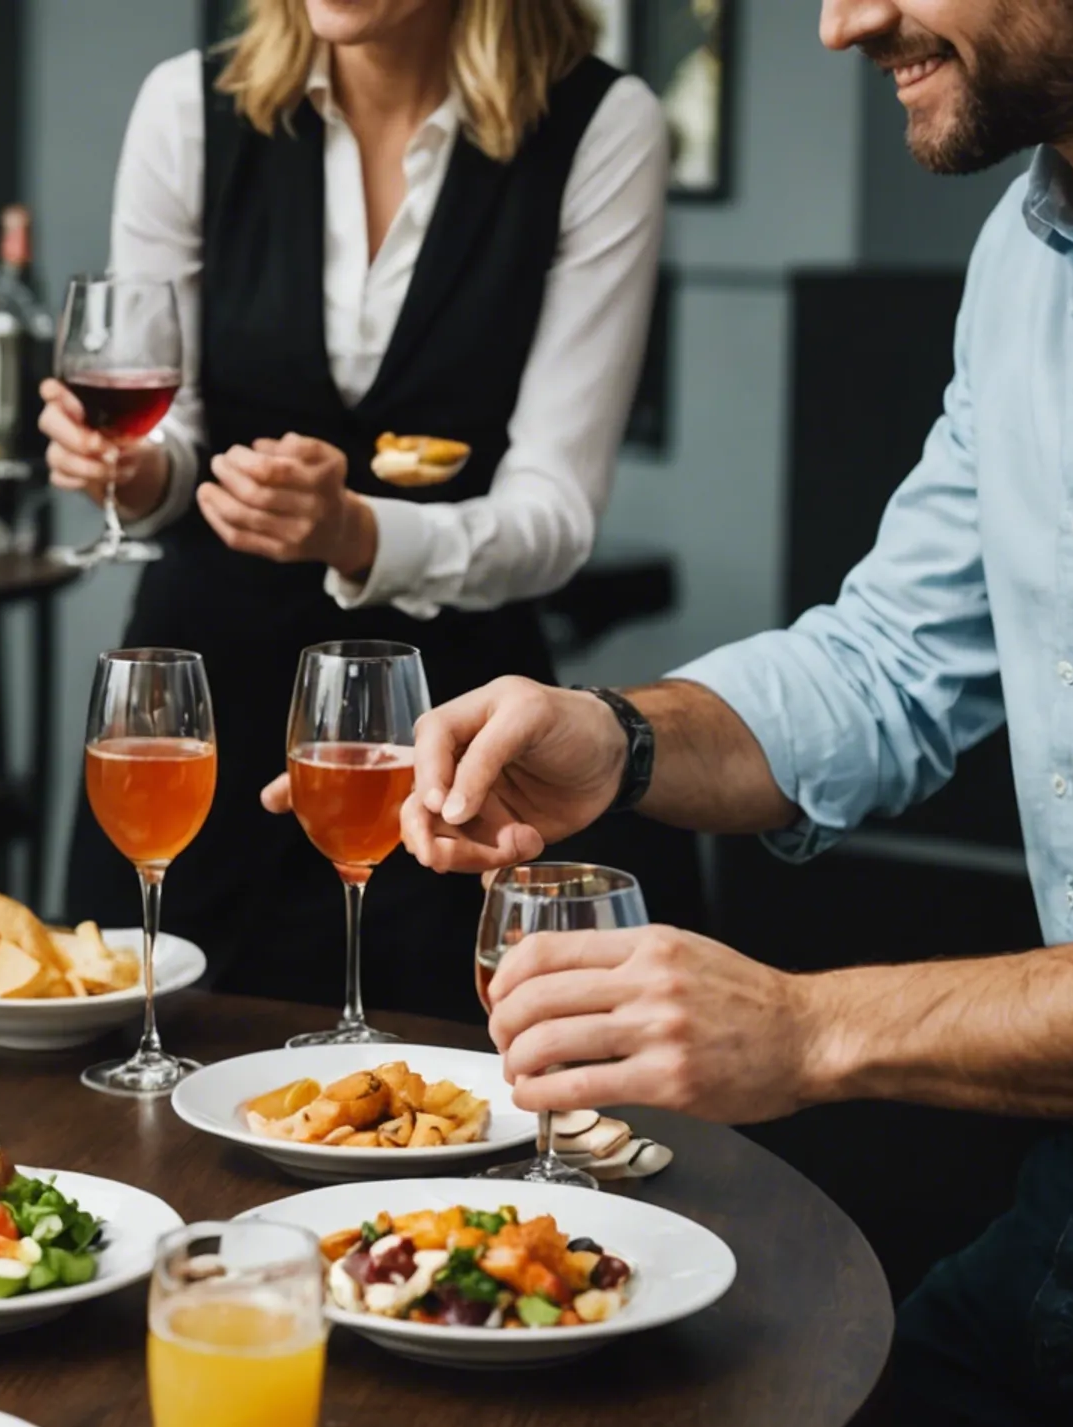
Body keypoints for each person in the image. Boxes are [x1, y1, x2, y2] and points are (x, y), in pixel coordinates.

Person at [391, 0, 1073, 1427]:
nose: (838, 22)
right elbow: (896, 664)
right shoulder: (1026, 254)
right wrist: (608, 738)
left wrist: (812, 1030)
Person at [38, 0, 671, 1017]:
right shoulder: (186, 110)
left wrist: (358, 533)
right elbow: (170, 444)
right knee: (142, 1098)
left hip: (446, 751)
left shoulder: (602, 126)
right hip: (198, 729)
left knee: (429, 1123)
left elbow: (553, 513)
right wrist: (127, 473)